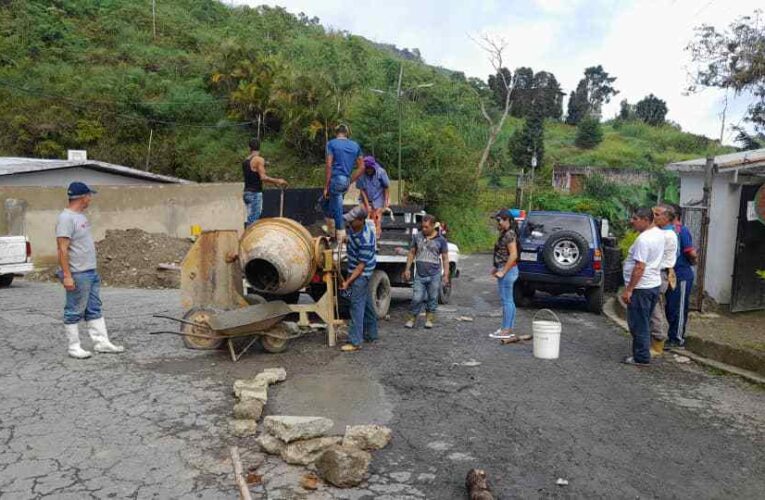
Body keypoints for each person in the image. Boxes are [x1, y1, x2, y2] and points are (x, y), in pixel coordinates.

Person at [56, 182, 124, 359]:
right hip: (78, 273)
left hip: (90, 271)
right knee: (74, 309)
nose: (90, 199)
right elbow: (62, 249)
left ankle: (101, 343)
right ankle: (74, 347)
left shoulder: (81, 217)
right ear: (82, 197)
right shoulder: (66, 218)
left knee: (94, 308)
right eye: (89, 196)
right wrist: (67, 276)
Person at [621, 208, 665, 366]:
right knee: (644, 321)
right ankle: (642, 354)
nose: (632, 221)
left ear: (646, 220)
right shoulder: (660, 234)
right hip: (653, 284)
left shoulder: (644, 239)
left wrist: (629, 289)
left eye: (635, 218)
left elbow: (639, 267)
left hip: (641, 288)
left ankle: (641, 357)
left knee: (639, 323)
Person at [339, 207, 378, 352]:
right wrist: (347, 239)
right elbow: (352, 237)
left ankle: (355, 341)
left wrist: (347, 282)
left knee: (356, 305)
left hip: (362, 274)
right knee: (366, 303)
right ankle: (372, 334)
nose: (348, 222)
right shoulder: (355, 228)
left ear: (361, 221)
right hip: (357, 269)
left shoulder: (366, 239)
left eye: (352, 220)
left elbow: (361, 267)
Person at [403, 214, 450, 329]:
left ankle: (429, 319)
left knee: (433, 297)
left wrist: (446, 275)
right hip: (420, 274)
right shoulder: (417, 237)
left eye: (426, 227)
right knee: (417, 298)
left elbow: (445, 258)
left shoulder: (441, 240)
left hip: (434, 275)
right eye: (422, 227)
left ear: (433, 226)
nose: (424, 229)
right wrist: (407, 269)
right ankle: (412, 318)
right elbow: (411, 253)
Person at [323, 124, 365, 242]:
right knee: (325, 203)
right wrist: (349, 181)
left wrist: (326, 186)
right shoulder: (355, 145)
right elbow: (362, 167)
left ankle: (341, 239)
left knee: (337, 208)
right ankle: (331, 234)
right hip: (345, 180)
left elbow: (329, 165)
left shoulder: (331, 144)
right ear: (347, 133)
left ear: (336, 133)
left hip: (336, 180)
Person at [665, 204, 698, 348]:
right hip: (671, 275)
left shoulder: (682, 231)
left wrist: (692, 261)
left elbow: (691, 253)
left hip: (682, 275)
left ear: (674, 215)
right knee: (670, 307)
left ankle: (677, 339)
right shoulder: (666, 231)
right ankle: (672, 335)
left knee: (679, 308)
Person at [648, 204, 678, 357]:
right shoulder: (663, 233)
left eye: (657, 214)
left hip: (659, 274)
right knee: (653, 307)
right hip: (659, 273)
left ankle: (658, 342)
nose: (654, 217)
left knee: (655, 308)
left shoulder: (666, 235)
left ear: (667, 218)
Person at [242, 138, 288, 228]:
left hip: (246, 193)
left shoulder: (245, 161)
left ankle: (247, 238)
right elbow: (263, 177)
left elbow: (254, 177)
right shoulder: (259, 160)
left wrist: (273, 183)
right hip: (255, 194)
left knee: (250, 219)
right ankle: (249, 240)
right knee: (253, 222)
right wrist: (278, 181)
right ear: (259, 147)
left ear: (249, 148)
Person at [490, 209, 520, 341]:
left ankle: (506, 330)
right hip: (505, 268)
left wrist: (503, 271)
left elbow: (514, 255)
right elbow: (502, 253)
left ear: (507, 220)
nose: (498, 223)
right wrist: (496, 267)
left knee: (506, 300)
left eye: (499, 220)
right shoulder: (505, 233)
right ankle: (507, 328)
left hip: (508, 271)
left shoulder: (509, 234)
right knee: (509, 300)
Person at [356, 155, 390, 237]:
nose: (369, 170)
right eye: (367, 169)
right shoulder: (361, 174)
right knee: (365, 214)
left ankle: (376, 236)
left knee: (377, 216)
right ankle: (364, 236)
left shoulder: (381, 172)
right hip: (365, 197)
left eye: (370, 168)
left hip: (378, 197)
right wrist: (367, 205)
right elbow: (362, 190)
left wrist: (386, 201)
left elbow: (386, 187)